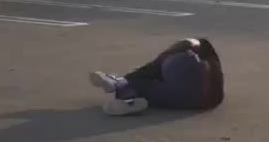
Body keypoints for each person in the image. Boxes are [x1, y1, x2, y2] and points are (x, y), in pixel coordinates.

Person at [89, 37, 224, 115]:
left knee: (140, 81)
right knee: (149, 84)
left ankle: (120, 85)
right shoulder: (212, 63)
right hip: (208, 101)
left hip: (183, 83)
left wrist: (133, 75)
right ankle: (123, 90)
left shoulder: (182, 52)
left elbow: (151, 68)